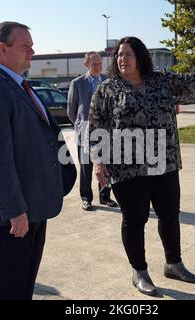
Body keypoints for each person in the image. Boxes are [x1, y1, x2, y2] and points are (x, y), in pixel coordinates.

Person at [89, 36, 195, 297]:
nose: (123, 59)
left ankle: (173, 263)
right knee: (134, 220)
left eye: (128, 54)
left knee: (169, 215)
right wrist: (98, 162)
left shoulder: (161, 81)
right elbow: (97, 126)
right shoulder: (107, 89)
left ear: (141, 57)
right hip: (127, 169)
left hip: (164, 163)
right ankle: (139, 271)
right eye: (120, 55)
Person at [0, 21, 75, 300]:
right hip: (12, 217)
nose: (33, 52)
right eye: (25, 46)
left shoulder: (20, 85)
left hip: (33, 206)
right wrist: (15, 210)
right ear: (3, 49)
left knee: (22, 288)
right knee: (4, 291)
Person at [67, 52, 118, 211]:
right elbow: (71, 110)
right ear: (86, 65)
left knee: (107, 166)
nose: (98, 66)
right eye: (94, 64)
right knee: (86, 168)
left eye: (100, 63)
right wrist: (81, 124)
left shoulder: (109, 81)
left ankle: (105, 196)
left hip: (106, 133)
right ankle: (86, 198)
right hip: (85, 133)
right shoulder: (77, 83)